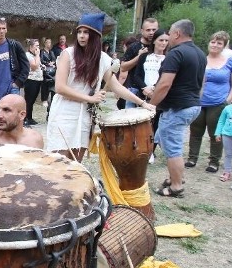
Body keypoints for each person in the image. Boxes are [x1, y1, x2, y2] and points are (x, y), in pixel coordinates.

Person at [45, 13, 154, 160]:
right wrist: (90, 98)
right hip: (64, 111)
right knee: (59, 159)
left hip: (84, 114)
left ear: (96, 36)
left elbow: (117, 87)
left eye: (86, 32)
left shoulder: (103, 59)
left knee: (77, 159)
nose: (82, 36)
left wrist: (142, 103)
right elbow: (60, 88)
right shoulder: (68, 54)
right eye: (79, 32)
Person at [149, 19, 207, 198]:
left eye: (170, 33)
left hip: (178, 107)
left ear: (177, 34)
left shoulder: (176, 54)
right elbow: (202, 81)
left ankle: (176, 186)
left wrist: (151, 105)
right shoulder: (200, 53)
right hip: (192, 105)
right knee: (171, 143)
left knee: (173, 148)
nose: (168, 37)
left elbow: (165, 84)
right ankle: (175, 177)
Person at [185, 31, 232, 173]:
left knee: (215, 133)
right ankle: (192, 158)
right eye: (213, 42)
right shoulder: (201, 59)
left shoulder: (230, 61)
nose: (215, 45)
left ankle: (214, 161)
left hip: (219, 102)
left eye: (219, 43)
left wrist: (228, 100)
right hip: (199, 102)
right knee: (195, 131)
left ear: (224, 46)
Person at [128, 29, 169, 162]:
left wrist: (155, 89)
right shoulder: (145, 56)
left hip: (159, 95)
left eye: (166, 41)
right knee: (142, 123)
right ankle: (139, 148)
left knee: (155, 124)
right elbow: (137, 75)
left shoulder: (168, 59)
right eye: (161, 40)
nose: (163, 43)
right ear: (155, 41)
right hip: (143, 93)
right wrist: (144, 87)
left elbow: (166, 77)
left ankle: (151, 150)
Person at [119, 17, 159, 108]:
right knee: (131, 120)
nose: (151, 32)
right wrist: (139, 57)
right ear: (142, 31)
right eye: (148, 30)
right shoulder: (134, 46)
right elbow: (123, 67)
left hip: (153, 90)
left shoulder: (160, 47)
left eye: (154, 30)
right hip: (134, 89)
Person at [22, 38, 43, 125]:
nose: (38, 48)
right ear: (31, 47)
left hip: (38, 80)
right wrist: (38, 55)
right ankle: (25, 118)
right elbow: (34, 66)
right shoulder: (28, 55)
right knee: (29, 100)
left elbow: (39, 65)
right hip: (31, 80)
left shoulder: (34, 55)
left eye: (38, 46)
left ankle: (29, 117)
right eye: (36, 46)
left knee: (32, 100)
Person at [40, 36, 55, 107]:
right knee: (45, 85)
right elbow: (41, 60)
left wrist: (53, 63)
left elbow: (54, 59)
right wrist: (47, 63)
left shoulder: (51, 52)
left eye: (50, 42)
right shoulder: (42, 51)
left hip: (52, 70)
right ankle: (44, 99)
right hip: (45, 70)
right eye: (47, 42)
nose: (49, 44)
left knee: (52, 84)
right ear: (44, 43)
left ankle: (52, 99)